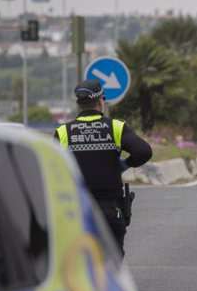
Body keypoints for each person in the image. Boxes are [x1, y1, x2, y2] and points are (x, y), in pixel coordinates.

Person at [55, 79, 152, 254]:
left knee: (77, 261)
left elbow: (51, 167)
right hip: (110, 211)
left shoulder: (63, 132)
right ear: (101, 101)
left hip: (77, 211)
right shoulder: (115, 127)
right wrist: (125, 164)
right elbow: (144, 152)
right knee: (113, 261)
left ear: (79, 104)